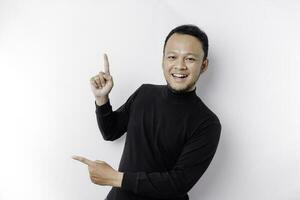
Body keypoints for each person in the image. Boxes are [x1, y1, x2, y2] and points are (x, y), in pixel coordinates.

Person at [72, 24, 221, 200]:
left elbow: (179, 183)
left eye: (190, 59)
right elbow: (111, 132)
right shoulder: (145, 93)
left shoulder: (207, 123)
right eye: (172, 57)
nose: (179, 66)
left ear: (203, 65)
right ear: (163, 60)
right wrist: (101, 99)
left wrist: (115, 178)